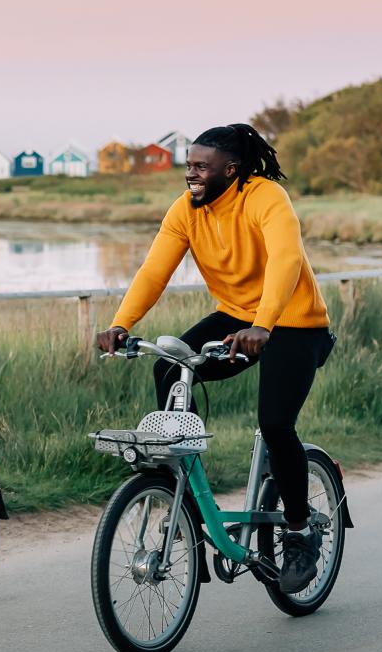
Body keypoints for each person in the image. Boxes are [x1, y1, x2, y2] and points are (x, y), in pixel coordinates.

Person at [94, 123, 335, 594]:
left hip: (294, 321)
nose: (191, 175)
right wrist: (122, 322)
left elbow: (286, 261)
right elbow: (154, 271)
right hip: (236, 317)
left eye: (201, 167)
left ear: (232, 169)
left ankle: (301, 530)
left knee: (275, 422)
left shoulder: (265, 198)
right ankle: (188, 497)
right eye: (188, 166)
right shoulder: (186, 211)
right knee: (168, 364)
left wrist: (264, 325)